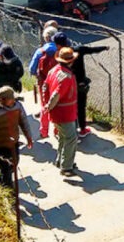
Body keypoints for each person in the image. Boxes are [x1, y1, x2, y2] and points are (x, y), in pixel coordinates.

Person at [0, 86, 34, 189]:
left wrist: (29, 137)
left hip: (13, 144)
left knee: (13, 165)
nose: (13, 100)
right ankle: (11, 196)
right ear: (2, 100)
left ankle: (0, 181)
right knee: (6, 172)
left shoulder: (18, 106)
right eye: (11, 99)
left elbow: (24, 121)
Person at [45, 46, 79, 176]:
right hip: (64, 113)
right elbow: (56, 95)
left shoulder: (53, 71)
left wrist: (47, 106)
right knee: (71, 138)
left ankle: (61, 160)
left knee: (63, 138)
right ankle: (66, 167)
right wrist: (49, 106)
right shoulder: (66, 77)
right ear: (70, 61)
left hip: (58, 113)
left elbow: (45, 87)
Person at [68, 40, 110, 139]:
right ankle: (82, 129)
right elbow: (92, 50)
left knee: (71, 107)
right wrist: (104, 47)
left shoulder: (59, 54)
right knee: (81, 107)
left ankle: (72, 129)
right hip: (80, 84)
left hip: (69, 85)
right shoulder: (78, 49)